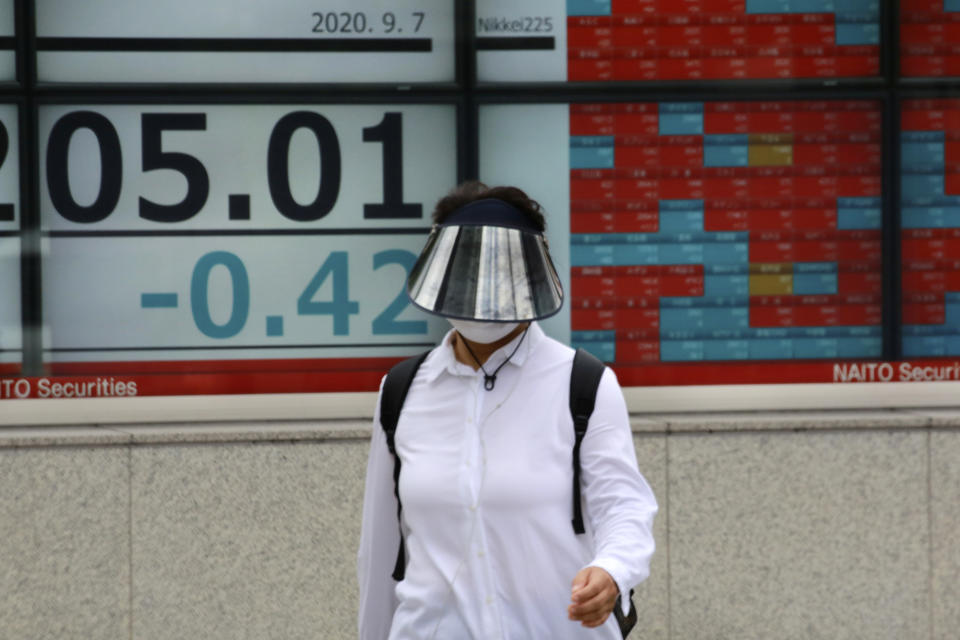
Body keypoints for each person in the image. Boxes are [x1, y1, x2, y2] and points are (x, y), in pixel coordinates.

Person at [357, 182, 657, 639]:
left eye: (502, 274)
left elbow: (624, 506)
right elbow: (380, 548)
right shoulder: (401, 391)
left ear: (531, 275)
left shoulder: (584, 383)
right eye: (469, 272)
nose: (483, 291)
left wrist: (613, 572)